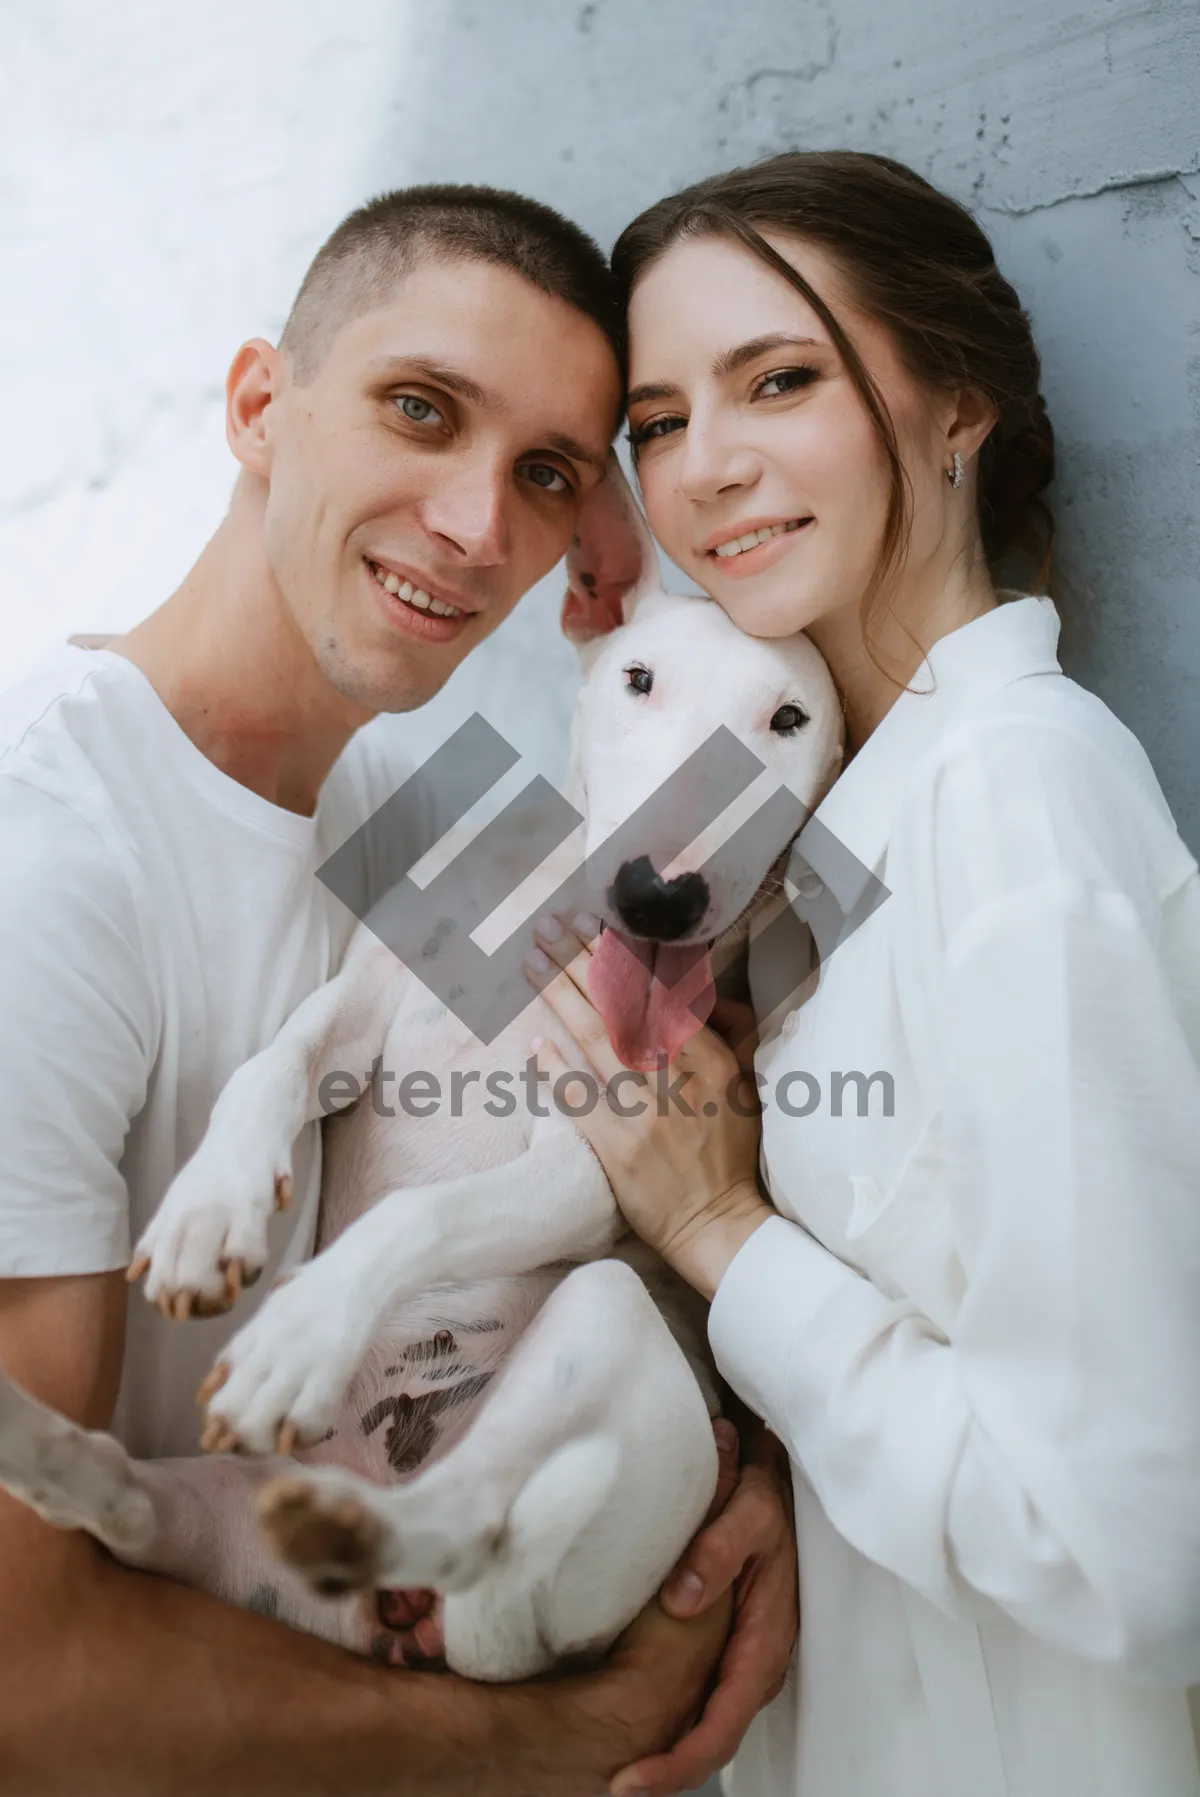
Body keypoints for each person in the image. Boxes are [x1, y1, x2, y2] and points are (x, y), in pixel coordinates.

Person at [0, 183, 797, 1797]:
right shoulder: (48, 869)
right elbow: (29, 1681)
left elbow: (661, 1184)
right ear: (258, 408)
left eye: (545, 475)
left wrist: (764, 1490)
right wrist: (556, 1740)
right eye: (418, 411)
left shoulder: (435, 817)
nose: (470, 524)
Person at [528, 150, 1200, 1797]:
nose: (710, 470)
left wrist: (717, 1230)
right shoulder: (810, 833)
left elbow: (1137, 1552)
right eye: (663, 423)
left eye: (781, 379)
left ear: (955, 400)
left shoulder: (1016, 788)